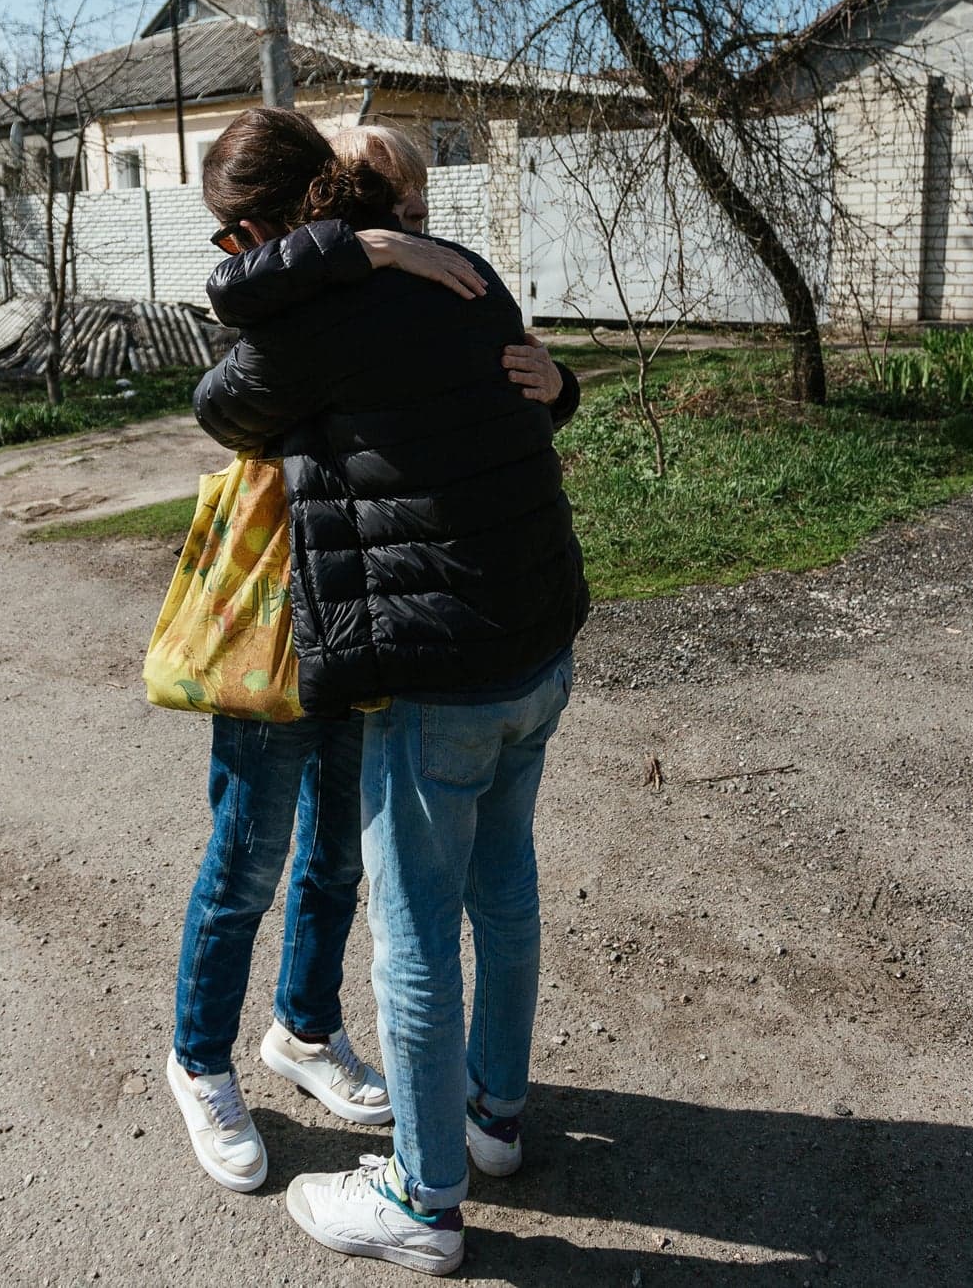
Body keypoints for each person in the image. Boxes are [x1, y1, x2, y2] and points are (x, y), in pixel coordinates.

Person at [192, 107, 588, 1276]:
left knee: (413, 936)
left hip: (434, 664)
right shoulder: (464, 274)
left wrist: (325, 263)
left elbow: (221, 407)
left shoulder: (312, 314)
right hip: (535, 639)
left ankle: (424, 1202)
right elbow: (520, 392)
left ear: (273, 226)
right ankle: (494, 1123)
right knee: (502, 887)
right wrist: (558, 387)